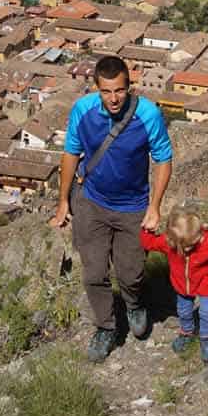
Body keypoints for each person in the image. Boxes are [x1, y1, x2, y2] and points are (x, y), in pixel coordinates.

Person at [50, 55, 172, 363]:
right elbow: (70, 154)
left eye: (119, 90)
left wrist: (155, 207)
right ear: (96, 88)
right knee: (93, 273)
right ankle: (106, 327)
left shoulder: (148, 115)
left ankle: (133, 303)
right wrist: (64, 201)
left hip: (133, 207)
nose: (113, 98)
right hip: (91, 202)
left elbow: (163, 159)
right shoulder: (83, 110)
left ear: (129, 86)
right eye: (106, 91)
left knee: (131, 272)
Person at [140, 209, 208, 363]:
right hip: (182, 286)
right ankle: (187, 333)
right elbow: (149, 243)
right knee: (183, 311)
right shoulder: (169, 242)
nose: (189, 249)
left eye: (192, 244)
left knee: (206, 312)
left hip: (205, 283)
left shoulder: (207, 246)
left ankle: (206, 341)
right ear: (172, 240)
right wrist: (147, 229)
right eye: (184, 246)